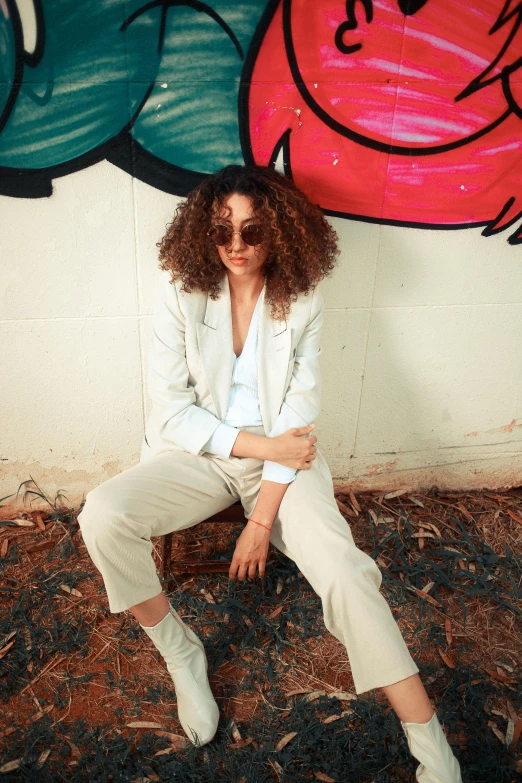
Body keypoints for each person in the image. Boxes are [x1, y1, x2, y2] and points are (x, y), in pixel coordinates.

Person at [78, 165, 462, 780]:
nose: (236, 245)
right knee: (102, 514)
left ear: (278, 232)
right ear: (202, 233)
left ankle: (429, 741)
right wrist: (257, 444)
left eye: (252, 231)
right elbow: (173, 414)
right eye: (222, 230)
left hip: (285, 466)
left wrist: (262, 519)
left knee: (344, 572)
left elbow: (299, 420)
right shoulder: (181, 292)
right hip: (200, 456)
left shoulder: (302, 297)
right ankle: (181, 650)